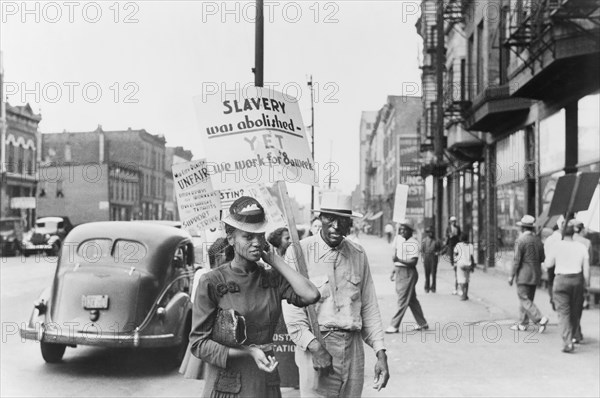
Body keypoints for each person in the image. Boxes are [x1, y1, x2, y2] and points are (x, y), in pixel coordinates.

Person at [189, 196, 320, 397]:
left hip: (265, 381)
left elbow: (311, 295)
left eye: (260, 235)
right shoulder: (212, 281)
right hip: (229, 385)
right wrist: (249, 351)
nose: (256, 242)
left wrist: (276, 261)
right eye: (248, 237)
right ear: (231, 238)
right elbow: (199, 345)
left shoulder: (271, 278)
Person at [282, 192, 389, 397]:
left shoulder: (358, 254)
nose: (336, 226)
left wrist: (380, 352)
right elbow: (293, 314)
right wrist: (315, 348)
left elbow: (369, 307)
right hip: (317, 345)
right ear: (320, 218)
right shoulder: (299, 253)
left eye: (343, 220)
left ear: (350, 223)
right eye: (330, 218)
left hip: (353, 349)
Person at [544, 219, 590, 353]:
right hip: (577, 281)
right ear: (574, 233)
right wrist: (585, 285)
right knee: (575, 312)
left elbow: (548, 264)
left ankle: (568, 342)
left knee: (563, 313)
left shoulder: (557, 246)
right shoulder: (582, 247)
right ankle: (575, 335)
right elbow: (586, 272)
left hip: (561, 281)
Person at [385, 219, 429, 333]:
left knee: (403, 299)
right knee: (411, 300)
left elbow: (413, 261)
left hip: (408, 272)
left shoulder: (413, 243)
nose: (402, 232)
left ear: (410, 231)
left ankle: (394, 325)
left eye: (405, 229)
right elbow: (398, 260)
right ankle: (422, 323)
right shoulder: (402, 241)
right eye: (401, 230)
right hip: (400, 271)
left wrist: (398, 260)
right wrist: (394, 270)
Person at [508, 215, 549, 332]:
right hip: (535, 274)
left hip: (523, 275)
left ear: (522, 228)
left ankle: (540, 318)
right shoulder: (538, 240)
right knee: (527, 300)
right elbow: (542, 258)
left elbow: (516, 261)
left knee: (524, 299)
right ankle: (522, 323)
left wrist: (511, 275)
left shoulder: (520, 240)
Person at [544, 223, 562, 310]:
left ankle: (552, 298)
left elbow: (546, 252)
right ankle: (558, 299)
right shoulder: (562, 238)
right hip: (560, 263)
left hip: (550, 264)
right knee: (558, 281)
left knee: (550, 282)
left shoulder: (549, 239)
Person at [453, 232, 475, 301]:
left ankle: (463, 295)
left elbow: (455, 254)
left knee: (460, 280)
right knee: (467, 280)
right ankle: (466, 294)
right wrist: (473, 266)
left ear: (461, 238)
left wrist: (454, 264)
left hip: (460, 265)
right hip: (468, 264)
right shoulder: (471, 245)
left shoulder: (458, 245)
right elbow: (472, 257)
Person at [421, 227, 442, 293]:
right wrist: (423, 258)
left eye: (432, 232)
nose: (431, 233)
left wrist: (438, 252)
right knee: (427, 273)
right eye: (429, 232)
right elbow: (422, 250)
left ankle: (433, 287)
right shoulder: (424, 240)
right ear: (427, 233)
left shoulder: (437, 240)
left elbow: (442, 248)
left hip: (433, 257)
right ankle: (427, 287)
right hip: (426, 257)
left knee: (433, 273)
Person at [445, 216, 462, 294]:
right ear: (450, 222)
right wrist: (449, 235)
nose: (453, 223)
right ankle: (452, 263)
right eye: (452, 221)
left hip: (456, 241)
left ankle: (456, 260)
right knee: (451, 252)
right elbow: (446, 234)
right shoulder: (448, 228)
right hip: (451, 242)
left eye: (454, 221)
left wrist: (456, 235)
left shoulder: (458, 227)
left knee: (456, 252)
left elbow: (459, 234)